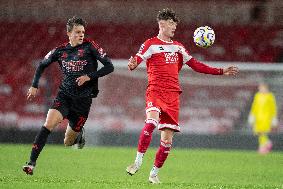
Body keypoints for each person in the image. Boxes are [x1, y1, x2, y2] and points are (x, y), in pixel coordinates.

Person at [126, 8, 239, 184]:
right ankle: (137, 162)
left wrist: (221, 71)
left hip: (173, 96)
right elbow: (137, 60)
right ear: (161, 24)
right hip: (155, 91)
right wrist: (132, 64)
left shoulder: (178, 47)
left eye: (175, 25)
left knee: (167, 141)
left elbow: (196, 65)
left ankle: (154, 173)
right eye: (171, 24)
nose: (174, 28)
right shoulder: (150, 44)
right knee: (151, 122)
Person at [22, 16, 114, 175]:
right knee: (48, 125)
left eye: (83, 32)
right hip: (64, 96)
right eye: (77, 32)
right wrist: (34, 85)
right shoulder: (59, 51)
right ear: (68, 33)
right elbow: (41, 65)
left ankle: (79, 134)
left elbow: (110, 66)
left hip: (83, 101)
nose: (81, 35)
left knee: (67, 142)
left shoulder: (90, 47)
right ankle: (31, 163)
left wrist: (89, 77)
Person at [248, 82, 278, 154]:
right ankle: (267, 143)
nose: (261, 89)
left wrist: (274, 117)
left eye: (263, 88)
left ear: (266, 88)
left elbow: (273, 107)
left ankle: (262, 147)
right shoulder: (257, 96)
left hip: (266, 117)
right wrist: (252, 115)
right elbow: (254, 106)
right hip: (258, 117)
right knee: (258, 132)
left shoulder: (270, 96)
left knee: (262, 132)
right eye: (260, 88)